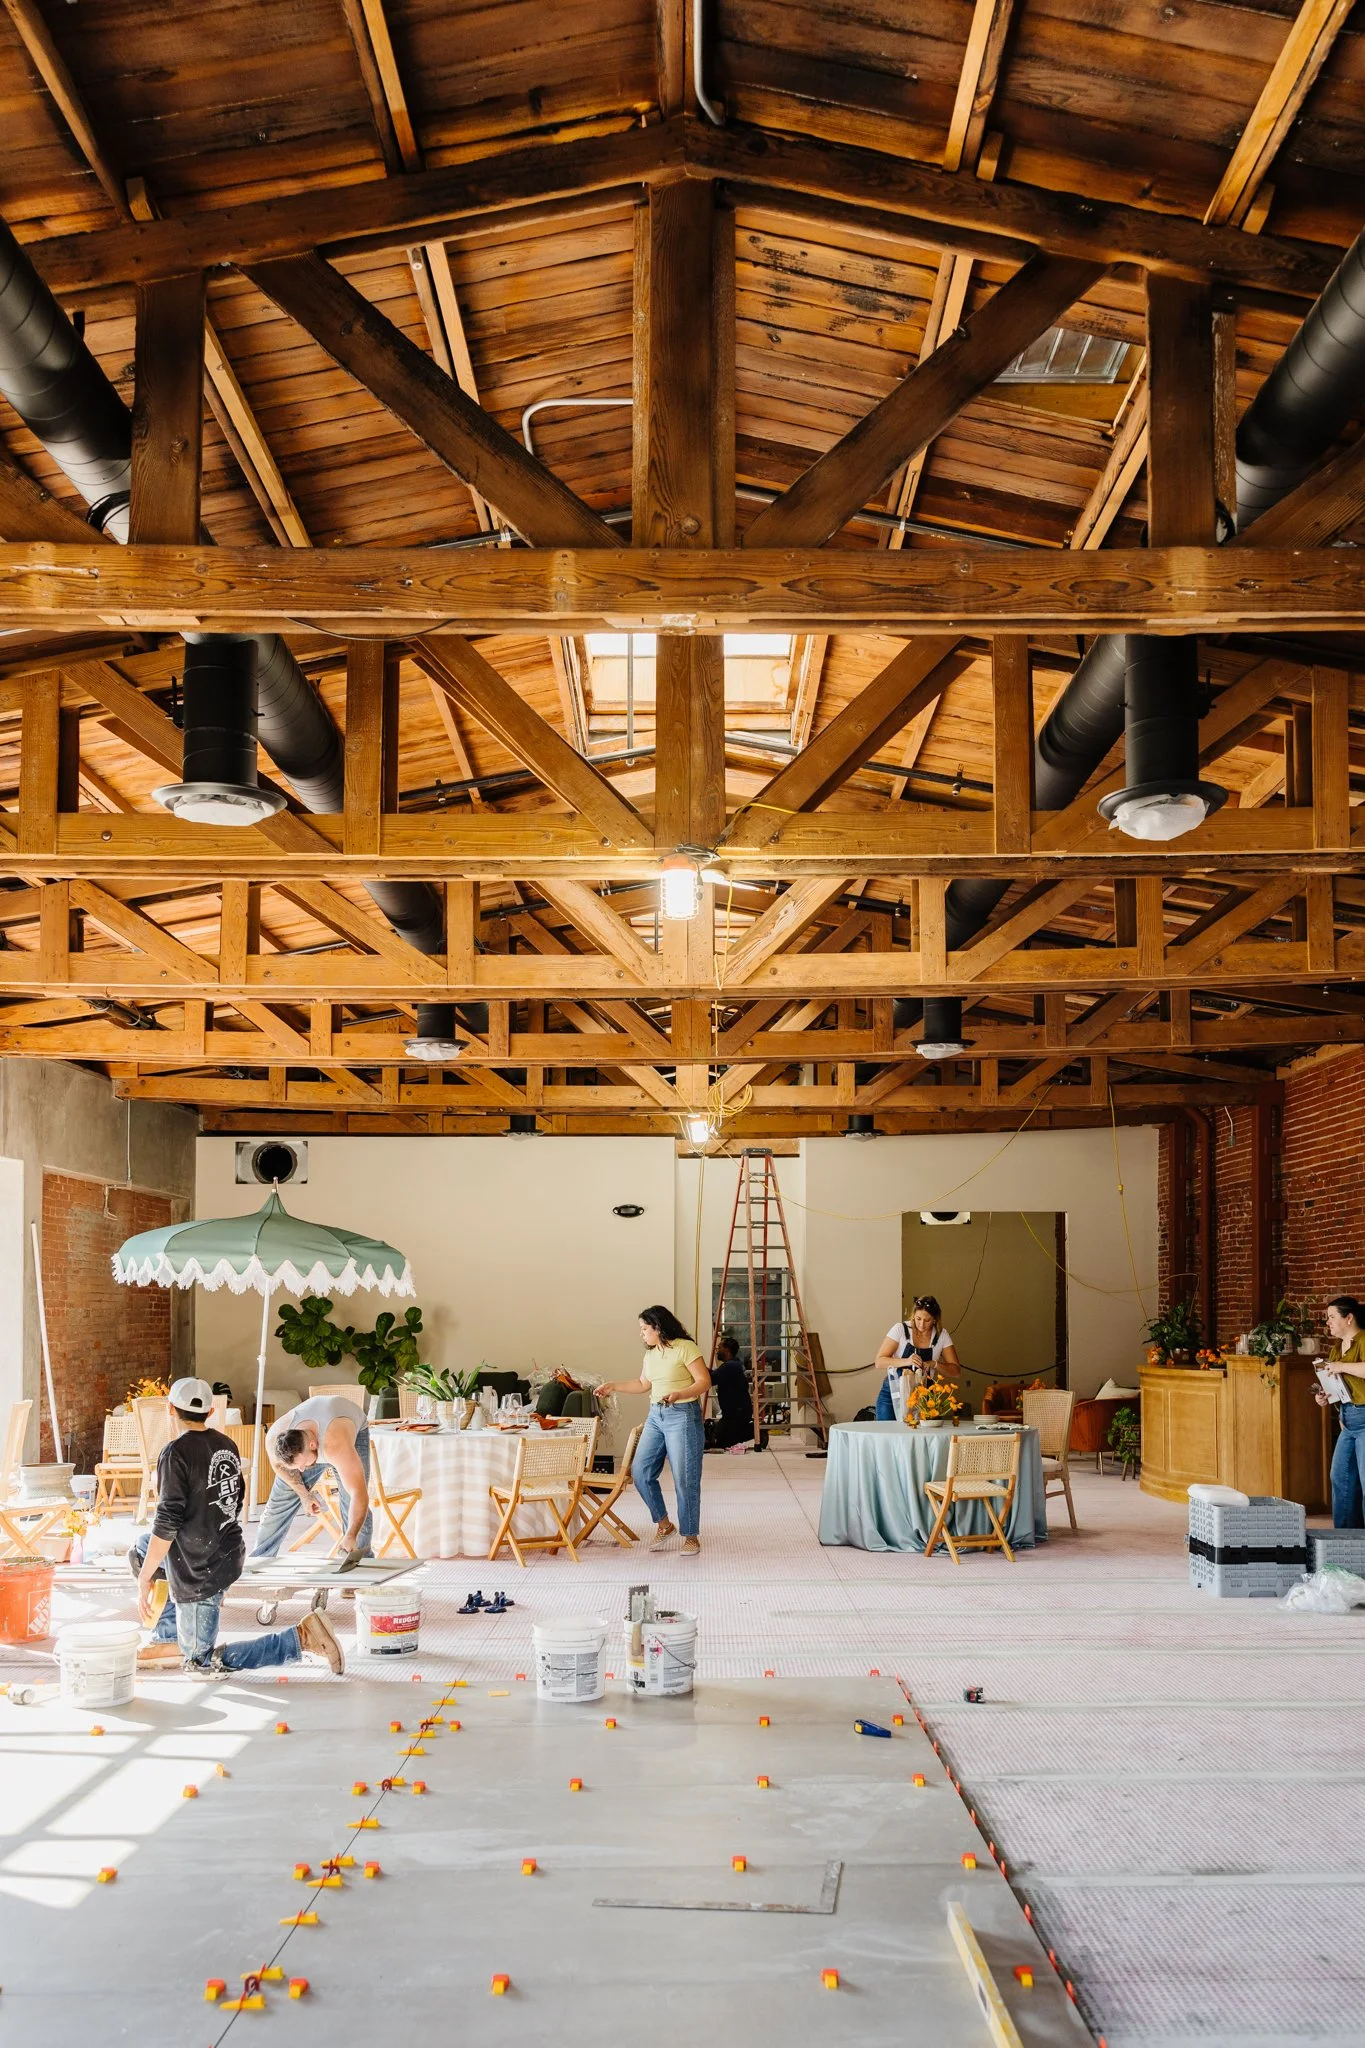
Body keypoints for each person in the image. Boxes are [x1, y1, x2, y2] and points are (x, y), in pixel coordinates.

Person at [133, 1378, 343, 1674]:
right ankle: (170, 1637)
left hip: (199, 1568)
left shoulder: (174, 1453)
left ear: (170, 1409)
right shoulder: (226, 1444)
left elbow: (168, 1521)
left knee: (199, 1663)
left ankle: (300, 1638)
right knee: (141, 1548)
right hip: (227, 1551)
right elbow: (236, 1500)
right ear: (210, 1413)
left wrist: (145, 1578)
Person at [598, 1307, 711, 1555]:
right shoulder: (650, 1354)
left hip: (682, 1415)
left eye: (644, 1329)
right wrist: (613, 1386)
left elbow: (704, 1382)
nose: (641, 1334)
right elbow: (642, 1384)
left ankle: (690, 1536)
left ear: (658, 1327)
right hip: (655, 1416)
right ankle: (664, 1525)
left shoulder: (685, 1347)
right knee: (640, 1472)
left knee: (685, 1478)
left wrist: (679, 1394)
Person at [252, 1393, 373, 1561]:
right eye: (297, 1467)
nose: (302, 1470)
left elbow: (358, 1494)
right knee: (279, 1502)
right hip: (312, 1443)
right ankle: (259, 1560)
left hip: (352, 1430)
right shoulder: (275, 1439)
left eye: (302, 1464)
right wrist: (305, 1495)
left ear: (313, 1444)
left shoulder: (335, 1444)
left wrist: (351, 1534)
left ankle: (361, 1560)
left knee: (350, 1502)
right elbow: (280, 1467)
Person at [1314, 1296, 1365, 1527]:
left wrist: (1341, 1366)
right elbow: (1339, 1386)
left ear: (1349, 1318)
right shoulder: (1337, 1348)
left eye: (1332, 1317)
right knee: (1341, 1478)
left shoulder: (1364, 1340)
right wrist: (1325, 1396)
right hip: (1347, 1420)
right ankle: (1345, 1538)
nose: (1328, 1322)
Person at [874, 1295, 961, 1420]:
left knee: (923, 1432)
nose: (921, 1324)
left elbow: (956, 1371)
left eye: (927, 1320)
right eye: (918, 1319)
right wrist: (907, 1361)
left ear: (935, 1320)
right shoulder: (900, 1329)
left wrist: (934, 1364)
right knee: (887, 1431)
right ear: (913, 1315)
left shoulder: (941, 1335)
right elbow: (879, 1361)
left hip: (924, 1398)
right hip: (894, 1396)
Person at [706, 1335, 754, 1451]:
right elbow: (715, 1375)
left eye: (720, 1347)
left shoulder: (730, 1366)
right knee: (716, 1435)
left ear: (727, 1350)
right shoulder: (734, 1364)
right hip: (736, 1413)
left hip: (736, 1414)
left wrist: (699, 1368)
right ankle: (750, 1430)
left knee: (719, 1441)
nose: (717, 1350)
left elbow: (711, 1379)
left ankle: (756, 1431)